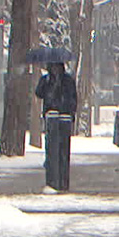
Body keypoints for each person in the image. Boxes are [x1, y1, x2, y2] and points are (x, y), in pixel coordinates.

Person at [35, 61, 77, 192]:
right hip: (51, 117)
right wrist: (45, 82)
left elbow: (73, 97)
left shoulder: (67, 80)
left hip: (64, 117)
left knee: (63, 150)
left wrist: (70, 113)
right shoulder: (46, 80)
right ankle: (53, 180)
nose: (55, 70)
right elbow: (39, 93)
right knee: (51, 148)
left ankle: (63, 181)